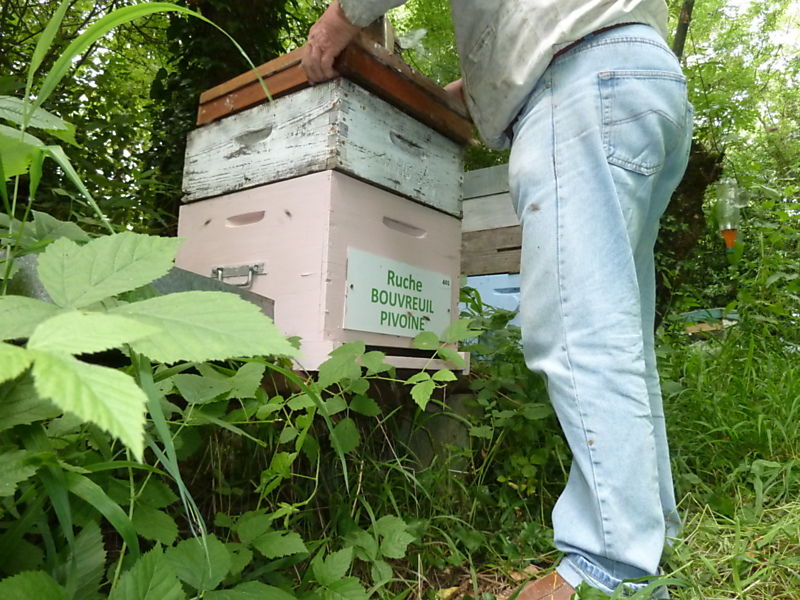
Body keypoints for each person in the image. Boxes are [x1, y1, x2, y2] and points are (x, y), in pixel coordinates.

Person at [302, 2, 693, 598]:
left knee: (578, 332)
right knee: (618, 338)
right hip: (641, 81)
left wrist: (338, 23)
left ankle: (610, 570)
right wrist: (461, 95)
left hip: (579, 85)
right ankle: (650, 532)